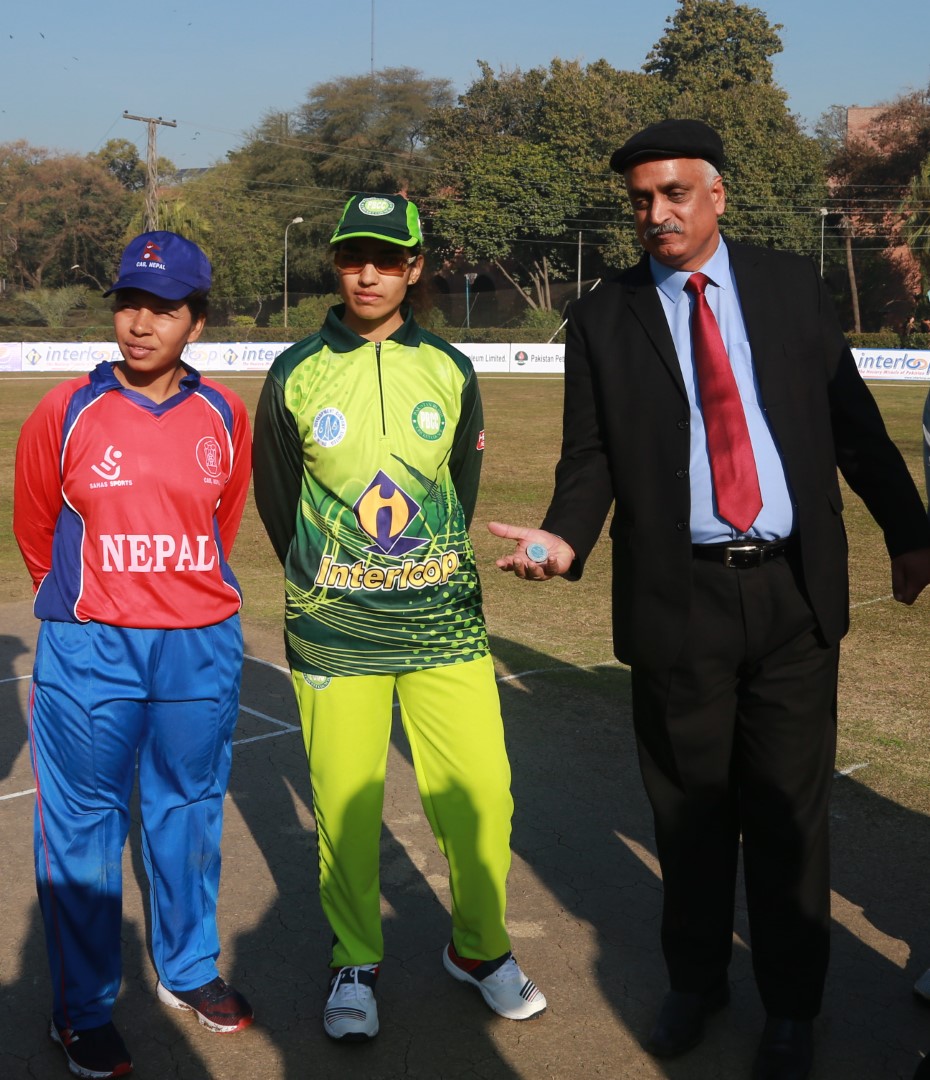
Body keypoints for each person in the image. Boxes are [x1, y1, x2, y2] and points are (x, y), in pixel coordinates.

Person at [489, 120, 930, 1080]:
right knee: (689, 813)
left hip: (792, 594)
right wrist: (565, 538)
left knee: (786, 815)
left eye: (674, 193)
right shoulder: (605, 315)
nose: (657, 214)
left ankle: (792, 1006)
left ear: (717, 194)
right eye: (642, 199)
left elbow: (854, 427)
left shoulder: (787, 287)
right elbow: (591, 456)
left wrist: (909, 531)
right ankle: (697, 983)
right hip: (676, 596)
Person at [252, 193, 546, 1042]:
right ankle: (355, 962)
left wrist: (418, 571)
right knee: (344, 805)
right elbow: (280, 505)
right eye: (354, 257)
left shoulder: (449, 370)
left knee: (481, 796)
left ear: (415, 268)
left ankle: (481, 950)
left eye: (387, 258)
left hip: (442, 624)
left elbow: (458, 485)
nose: (369, 272)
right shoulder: (296, 372)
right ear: (338, 265)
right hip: (333, 627)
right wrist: (333, 580)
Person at [14, 231, 254, 1078]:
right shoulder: (65, 411)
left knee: (188, 807)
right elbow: (38, 529)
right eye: (129, 304)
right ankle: (81, 1011)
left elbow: (218, 529)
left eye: (164, 309)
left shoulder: (224, 413)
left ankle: (188, 970)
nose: (141, 324)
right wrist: (94, 607)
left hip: (197, 647)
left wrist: (175, 600)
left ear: (196, 323)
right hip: (92, 648)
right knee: (81, 826)